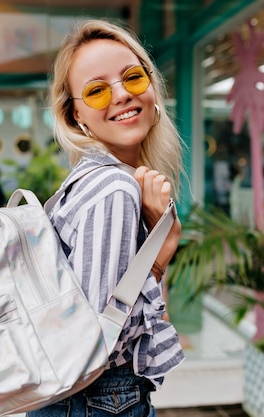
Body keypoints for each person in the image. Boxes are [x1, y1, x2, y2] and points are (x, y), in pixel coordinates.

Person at [32, 19, 185, 417]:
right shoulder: (115, 189)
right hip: (97, 402)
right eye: (97, 90)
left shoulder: (87, 179)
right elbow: (94, 343)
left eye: (132, 78)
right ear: (76, 116)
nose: (120, 95)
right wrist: (157, 259)